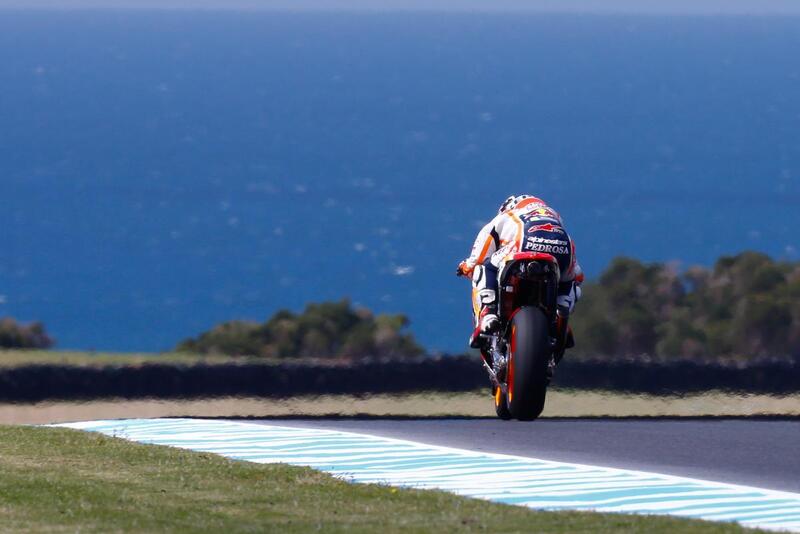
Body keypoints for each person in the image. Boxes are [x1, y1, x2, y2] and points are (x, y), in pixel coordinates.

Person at [457, 194, 583, 350]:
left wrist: (466, 266)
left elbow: (479, 257)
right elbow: (578, 274)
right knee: (569, 282)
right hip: (562, 250)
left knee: (485, 267)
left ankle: (488, 313)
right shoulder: (554, 216)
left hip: (524, 245)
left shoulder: (505, 216)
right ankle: (560, 318)